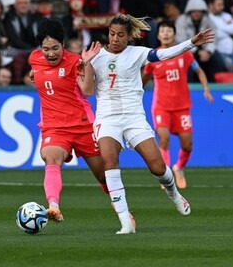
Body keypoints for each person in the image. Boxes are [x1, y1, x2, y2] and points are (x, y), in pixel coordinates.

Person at [79, 14, 215, 234]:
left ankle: (174, 194)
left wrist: (191, 43)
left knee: (158, 167)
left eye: (120, 35)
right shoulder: (95, 56)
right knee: (109, 161)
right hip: (107, 118)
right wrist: (86, 63)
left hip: (134, 117)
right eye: (112, 34)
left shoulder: (138, 54)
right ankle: (125, 221)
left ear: (129, 36)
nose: (114, 39)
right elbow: (87, 91)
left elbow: (164, 53)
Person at [28, 18, 121, 224]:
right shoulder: (34, 58)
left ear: (63, 44)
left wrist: (86, 63)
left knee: (103, 175)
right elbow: (35, 72)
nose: (51, 53)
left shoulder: (74, 62)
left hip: (82, 125)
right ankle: (53, 206)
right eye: (46, 48)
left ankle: (120, 207)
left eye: (55, 48)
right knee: (51, 158)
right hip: (54, 126)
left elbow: (87, 91)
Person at [142, 20, 213, 190]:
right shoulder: (153, 57)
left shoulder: (184, 54)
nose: (166, 34)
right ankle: (167, 176)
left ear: (174, 34)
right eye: (163, 31)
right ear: (158, 35)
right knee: (164, 140)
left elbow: (198, 70)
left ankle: (179, 167)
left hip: (181, 107)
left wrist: (206, 88)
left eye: (169, 31)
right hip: (161, 106)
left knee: (187, 145)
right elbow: (143, 80)